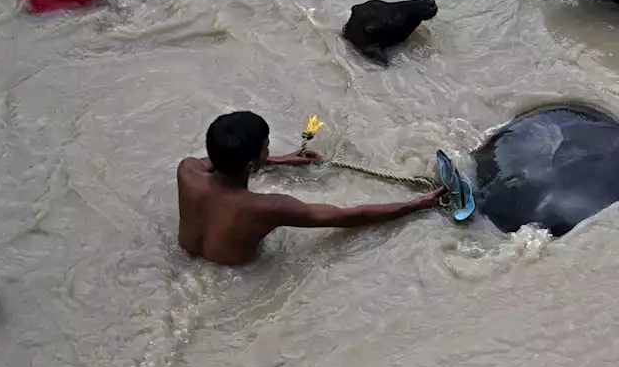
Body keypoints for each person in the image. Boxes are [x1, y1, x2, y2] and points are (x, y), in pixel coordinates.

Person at [177, 111, 444, 265]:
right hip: (236, 274)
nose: (269, 149)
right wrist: (414, 205)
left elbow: (220, 161)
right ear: (251, 163)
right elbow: (348, 217)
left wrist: (282, 160)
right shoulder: (267, 207)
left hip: (186, 256)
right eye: (266, 147)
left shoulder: (188, 170)